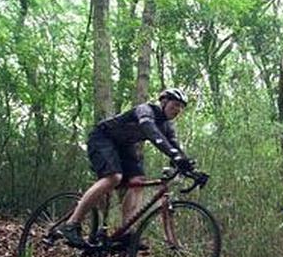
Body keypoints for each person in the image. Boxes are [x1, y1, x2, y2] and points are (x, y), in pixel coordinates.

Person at [58, 88, 195, 247]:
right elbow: (150, 131)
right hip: (102, 137)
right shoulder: (146, 110)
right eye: (175, 105)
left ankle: (124, 232)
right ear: (164, 102)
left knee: (138, 180)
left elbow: (174, 146)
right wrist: (174, 155)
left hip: (124, 146)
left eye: (181, 107)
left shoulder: (167, 126)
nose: (178, 110)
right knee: (114, 177)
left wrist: (190, 167)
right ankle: (71, 224)